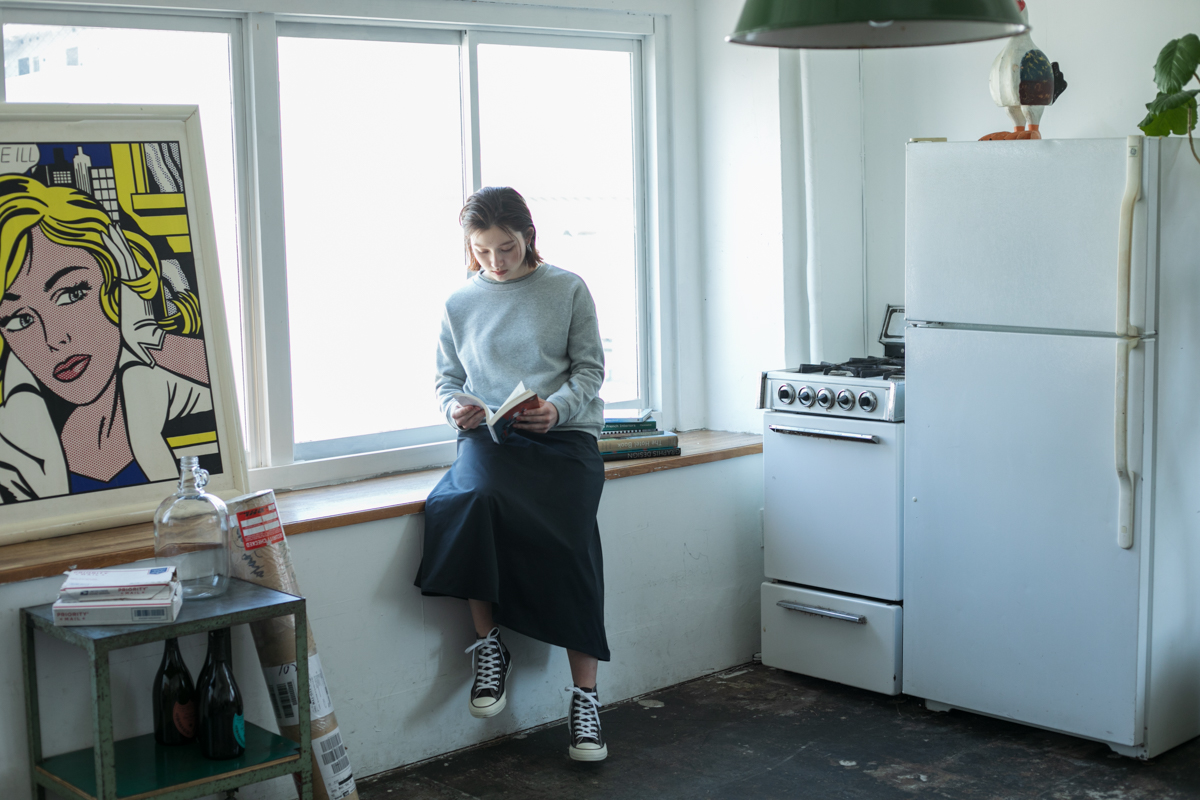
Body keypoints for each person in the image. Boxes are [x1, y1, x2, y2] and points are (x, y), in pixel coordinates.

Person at [415, 186, 610, 761]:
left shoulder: (567, 288)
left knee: (573, 541)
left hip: (563, 438)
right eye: (482, 250)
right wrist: (455, 409)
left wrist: (557, 410)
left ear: (529, 236)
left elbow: (590, 370)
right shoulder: (459, 302)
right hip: (491, 438)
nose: (495, 261)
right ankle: (489, 646)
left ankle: (585, 700)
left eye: (506, 247)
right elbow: (447, 381)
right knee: (467, 503)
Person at [0, 174, 215, 503]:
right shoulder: (16, 449)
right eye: (20, 319)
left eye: (72, 294)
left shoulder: (166, 388)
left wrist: (147, 332)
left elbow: (228, 385)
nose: (54, 339)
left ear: (115, 287)